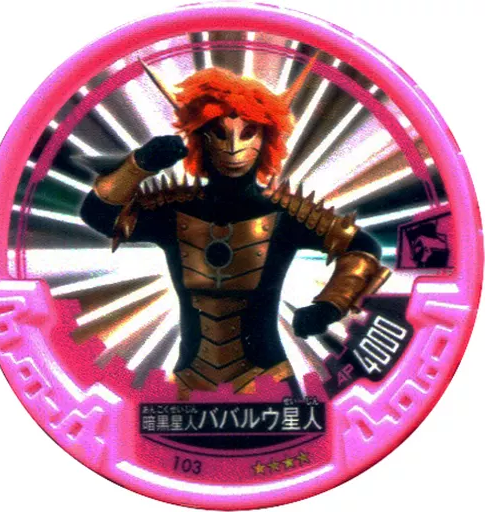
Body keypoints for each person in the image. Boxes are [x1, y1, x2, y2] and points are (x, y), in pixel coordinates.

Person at [80, 63, 390, 400]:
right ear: (200, 137)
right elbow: (98, 214)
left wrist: (330, 306)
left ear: (266, 138)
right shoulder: (171, 209)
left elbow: (362, 247)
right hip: (191, 384)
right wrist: (137, 165)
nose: (232, 147)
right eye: (218, 132)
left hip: (268, 380)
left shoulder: (287, 215)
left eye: (248, 132)